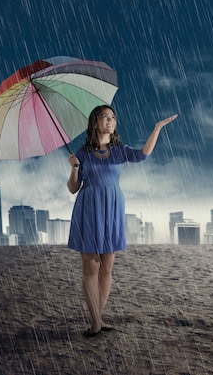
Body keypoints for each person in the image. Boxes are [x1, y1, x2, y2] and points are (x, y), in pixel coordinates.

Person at [66, 104, 177, 337]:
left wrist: (156, 129)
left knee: (106, 267)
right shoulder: (82, 152)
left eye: (113, 117)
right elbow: (73, 188)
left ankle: (98, 318)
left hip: (113, 207)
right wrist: (75, 169)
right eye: (105, 117)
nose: (110, 121)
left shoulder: (120, 150)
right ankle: (96, 321)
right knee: (90, 267)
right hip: (89, 207)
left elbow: (143, 154)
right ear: (95, 122)